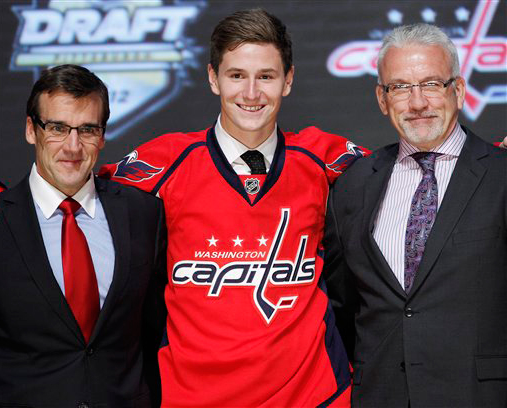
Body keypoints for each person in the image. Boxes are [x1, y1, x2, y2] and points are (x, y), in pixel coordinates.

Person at [99, 8, 366, 407]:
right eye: (237, 75)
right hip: (192, 397)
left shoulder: (321, 155)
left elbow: (407, 172)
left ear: (288, 80)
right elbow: (73, 184)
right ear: (213, 78)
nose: (251, 93)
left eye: (266, 76)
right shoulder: (165, 161)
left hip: (314, 397)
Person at [323, 23, 507, 407]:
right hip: (381, 395)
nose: (418, 102)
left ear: (458, 90)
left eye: (431, 84)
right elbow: (344, 306)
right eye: (401, 87)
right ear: (382, 98)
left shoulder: (500, 174)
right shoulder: (353, 185)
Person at [0, 64, 167, 407]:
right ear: (31, 130)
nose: (72, 146)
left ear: (102, 136)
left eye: (87, 129)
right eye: (57, 128)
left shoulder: (143, 213)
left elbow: (156, 331)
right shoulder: (1, 218)